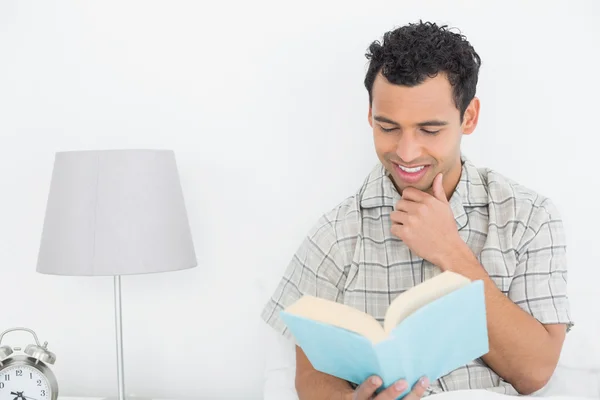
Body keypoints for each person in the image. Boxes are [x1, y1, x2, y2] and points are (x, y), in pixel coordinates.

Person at [260, 20, 573, 399]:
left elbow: (534, 372)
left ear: (469, 117)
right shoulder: (335, 233)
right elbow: (311, 374)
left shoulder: (529, 217)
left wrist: (451, 253)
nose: (406, 153)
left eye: (430, 130)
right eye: (388, 127)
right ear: (370, 115)